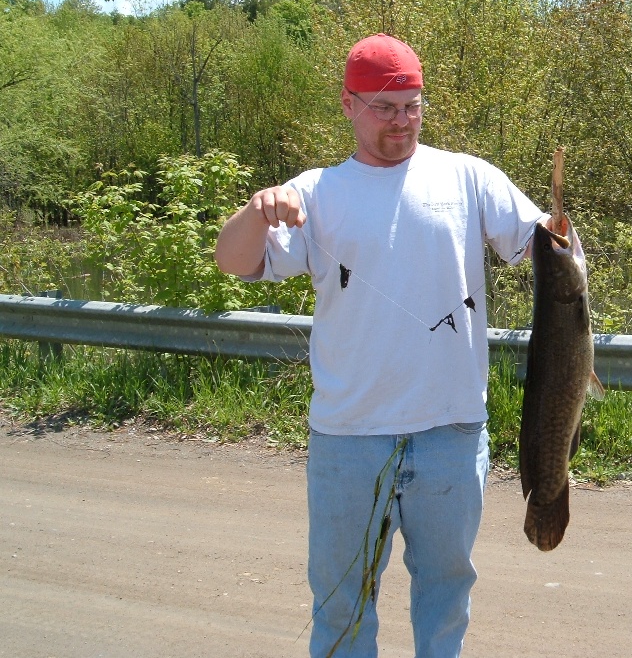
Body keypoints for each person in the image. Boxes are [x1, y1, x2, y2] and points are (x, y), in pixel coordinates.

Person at [214, 33, 548, 658]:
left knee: (447, 598)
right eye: (385, 107)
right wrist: (259, 210)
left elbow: (550, 249)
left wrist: (561, 241)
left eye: (412, 105)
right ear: (348, 105)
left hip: (452, 434)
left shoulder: (469, 178)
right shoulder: (314, 193)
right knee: (343, 606)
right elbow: (233, 261)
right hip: (348, 439)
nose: (402, 121)